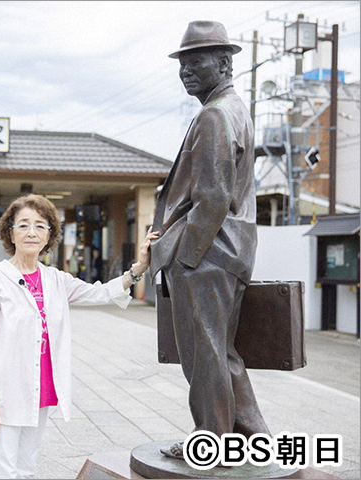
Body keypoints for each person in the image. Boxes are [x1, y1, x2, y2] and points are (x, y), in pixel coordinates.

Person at [0, 194, 159, 479]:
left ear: (49, 235)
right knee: (4, 467)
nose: (31, 232)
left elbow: (101, 292)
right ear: (10, 233)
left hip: (42, 386)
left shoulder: (56, 280)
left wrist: (139, 269)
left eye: (40, 226)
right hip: (7, 390)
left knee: (27, 465)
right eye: (23, 225)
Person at [149, 21, 270, 459]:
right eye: (182, 64)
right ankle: (256, 441)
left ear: (224, 63)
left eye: (196, 62)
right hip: (227, 252)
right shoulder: (233, 107)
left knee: (204, 357)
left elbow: (213, 198)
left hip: (208, 254)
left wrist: (185, 255)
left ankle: (211, 441)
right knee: (221, 353)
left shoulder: (216, 114)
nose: (186, 71)